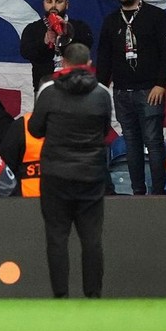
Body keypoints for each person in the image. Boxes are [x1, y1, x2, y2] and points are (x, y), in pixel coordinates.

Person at [29, 43, 113, 298]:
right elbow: (104, 130)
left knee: (56, 236)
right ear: (88, 64)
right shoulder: (101, 93)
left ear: (64, 63)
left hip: (55, 174)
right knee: (92, 238)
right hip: (91, 174)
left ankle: (61, 296)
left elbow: (35, 129)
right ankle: (93, 295)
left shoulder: (48, 91)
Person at [96, 0, 166, 195]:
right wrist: (101, 87)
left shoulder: (156, 16)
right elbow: (104, 58)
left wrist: (161, 83)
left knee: (153, 141)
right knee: (131, 143)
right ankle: (138, 193)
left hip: (150, 89)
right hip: (122, 91)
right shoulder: (111, 21)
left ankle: (158, 192)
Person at [20, 0, 95, 90]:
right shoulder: (33, 28)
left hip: (75, 86)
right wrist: (44, 41)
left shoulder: (79, 26)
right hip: (44, 87)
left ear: (67, 4)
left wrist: (67, 33)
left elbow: (86, 46)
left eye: (59, 2)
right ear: (43, 4)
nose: (53, 6)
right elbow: (25, 52)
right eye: (49, 2)